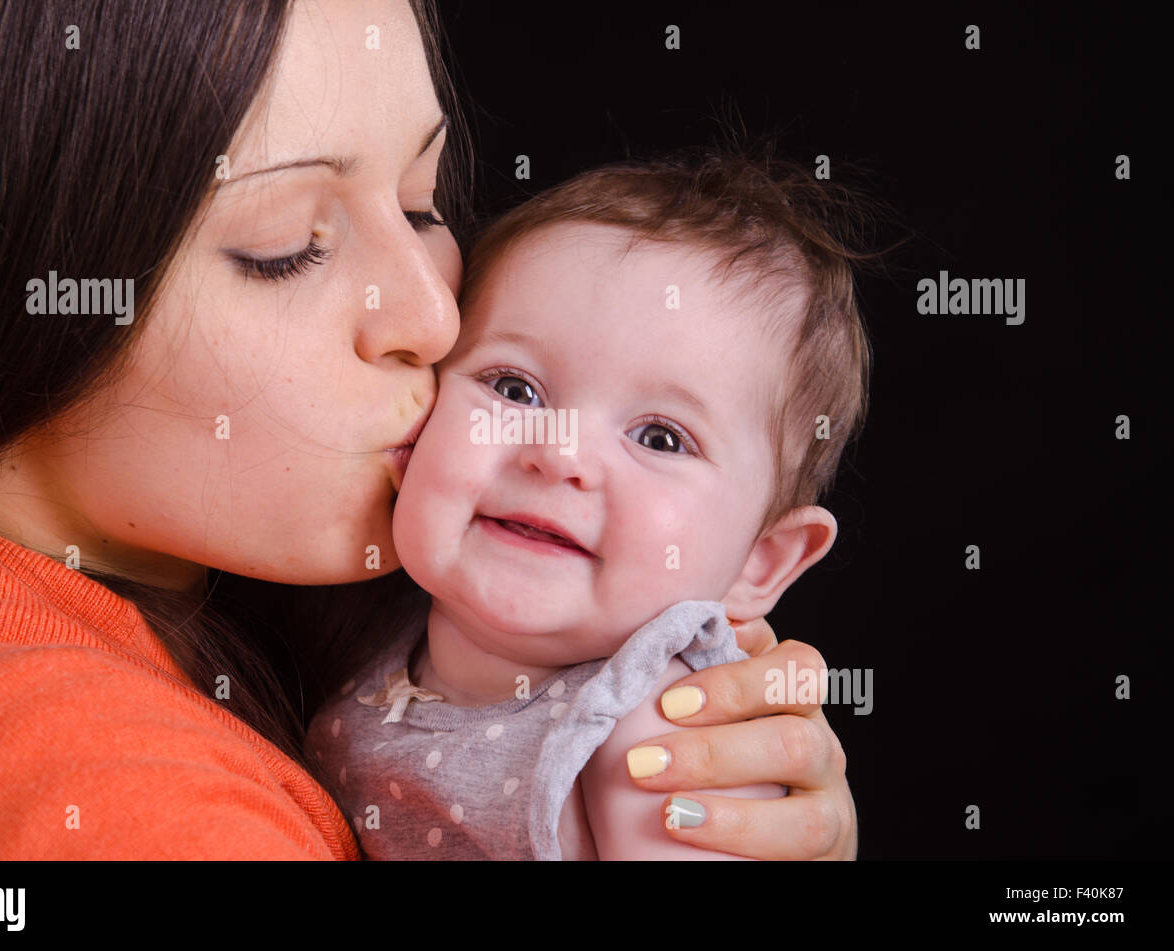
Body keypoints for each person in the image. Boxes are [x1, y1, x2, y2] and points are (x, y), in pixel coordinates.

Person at [0, 0, 856, 860]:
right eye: (284, 249)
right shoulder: (108, 791)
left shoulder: (283, 637)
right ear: (24, 290)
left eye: (420, 206)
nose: (433, 318)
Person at [308, 148, 868, 859]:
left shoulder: (650, 726)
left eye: (660, 437)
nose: (560, 452)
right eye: (515, 389)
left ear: (761, 559)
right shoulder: (375, 641)